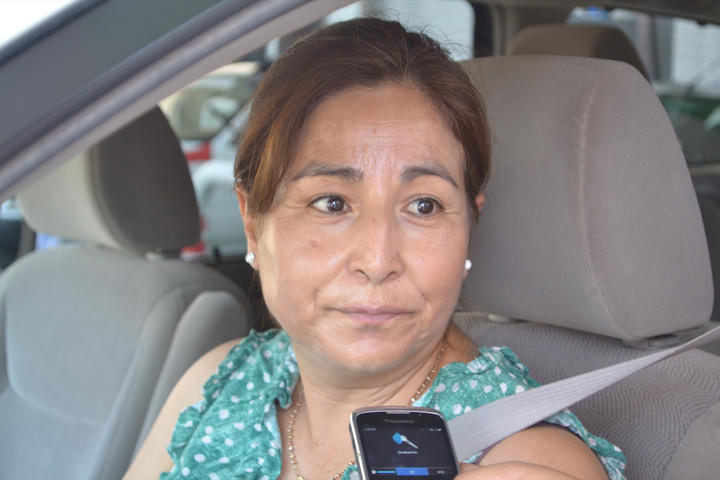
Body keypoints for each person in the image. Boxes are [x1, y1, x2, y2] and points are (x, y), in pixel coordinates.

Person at [125, 18, 626, 480]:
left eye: (424, 206)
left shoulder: (526, 461)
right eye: (331, 203)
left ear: (469, 226)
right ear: (253, 225)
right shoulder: (221, 382)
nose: (378, 260)